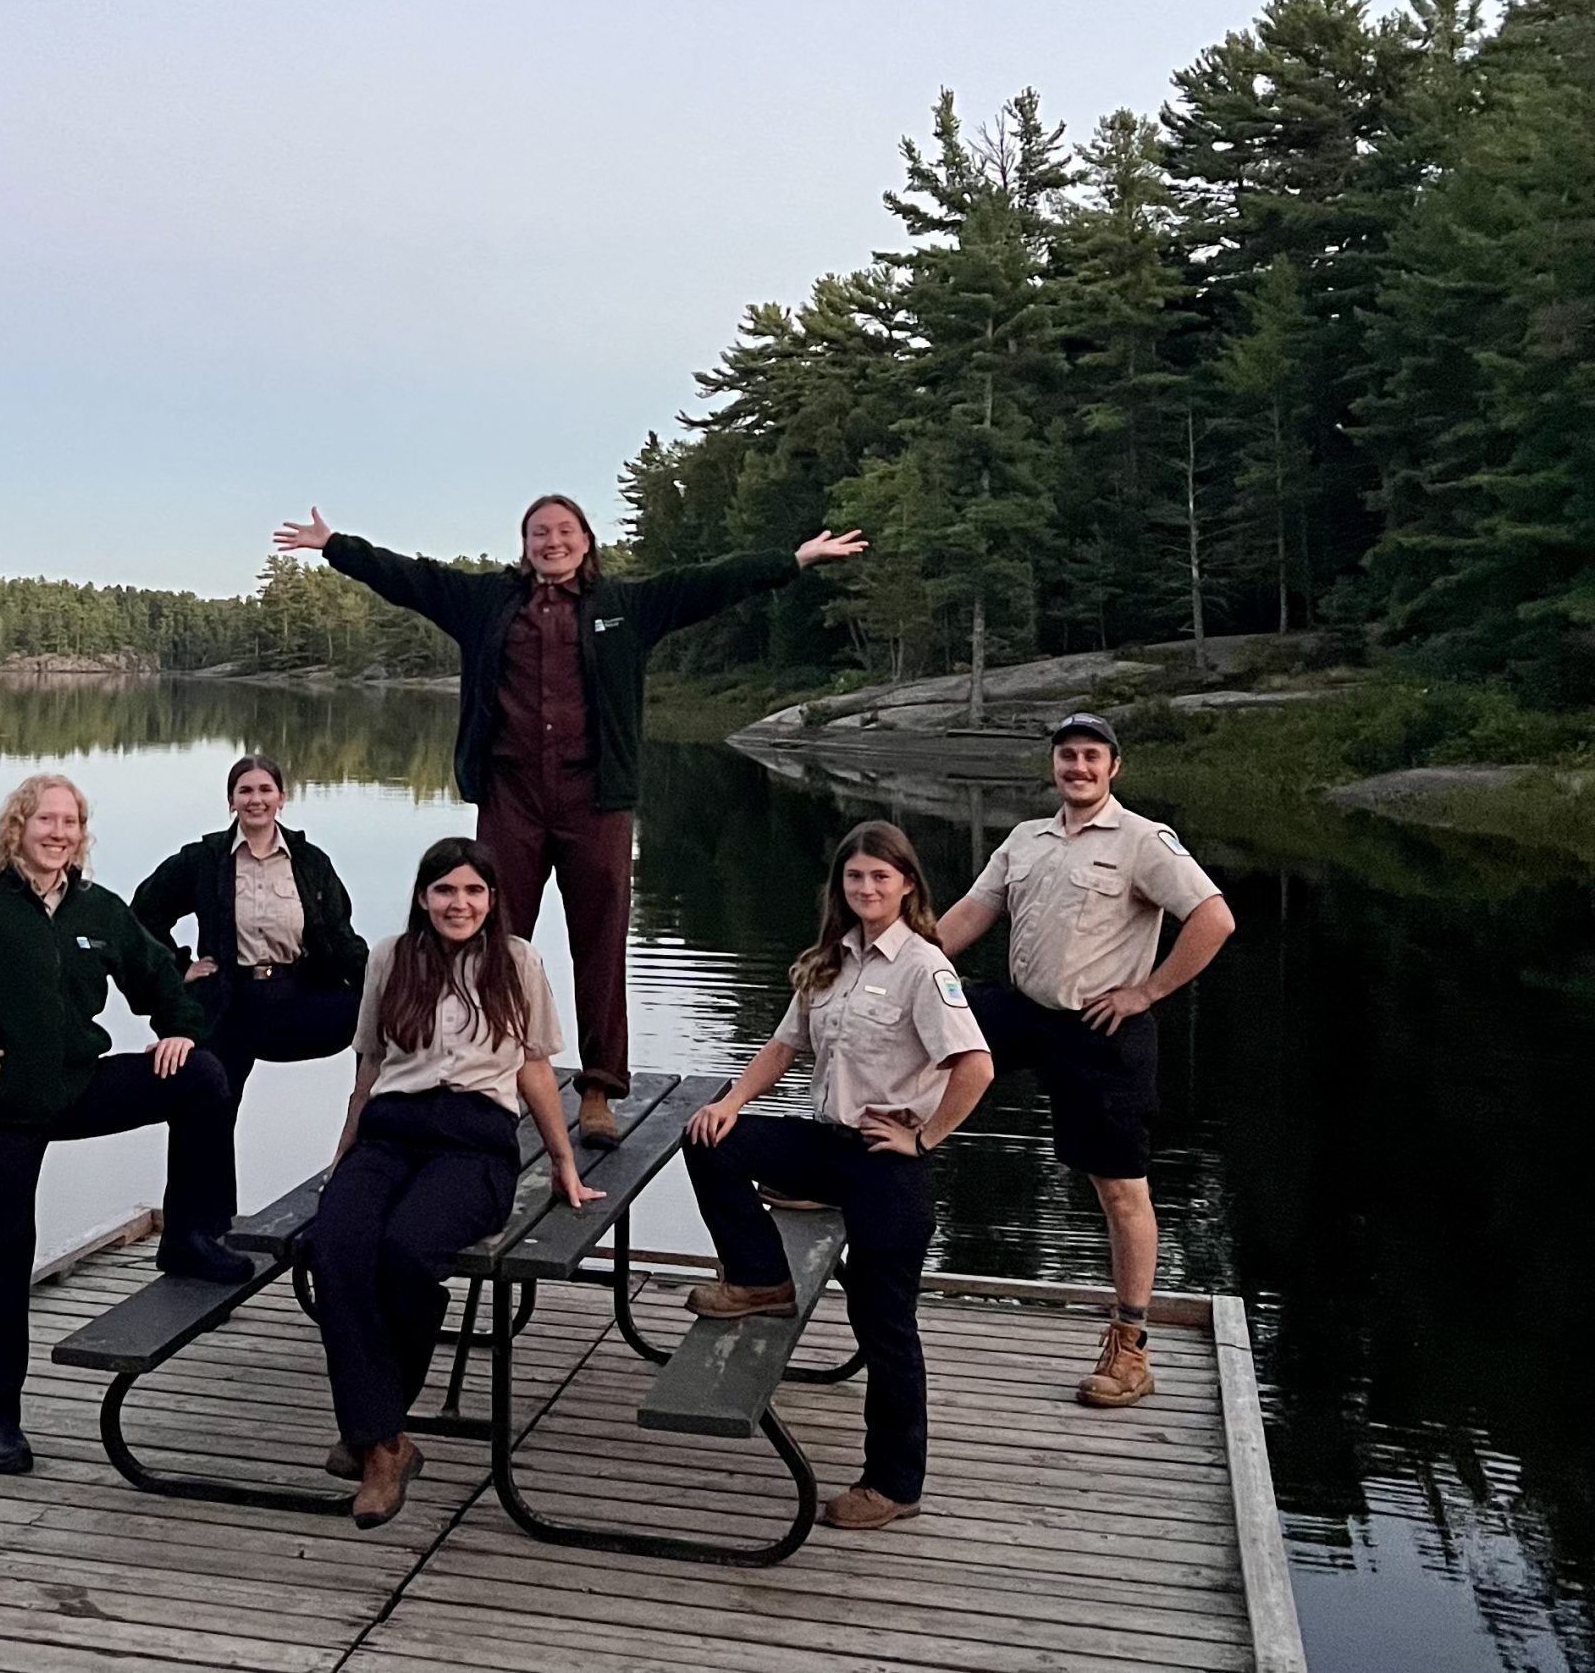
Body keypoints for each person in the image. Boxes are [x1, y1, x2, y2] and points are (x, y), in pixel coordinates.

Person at [274, 498, 865, 1151]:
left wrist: (792, 560)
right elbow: (414, 577)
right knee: (489, 939)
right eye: (538, 533)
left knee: (602, 939)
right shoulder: (488, 603)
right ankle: (484, 1074)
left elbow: (709, 580)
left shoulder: (625, 606)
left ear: (586, 540)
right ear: (524, 544)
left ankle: (598, 1089)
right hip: (511, 797)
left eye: (563, 531)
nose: (551, 541)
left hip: (597, 800)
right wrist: (336, 546)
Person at [0, 772, 253, 1478]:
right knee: (1, 1254)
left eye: (71, 822)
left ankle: (190, 1236)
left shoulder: (98, 910)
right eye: (45, 820)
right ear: (16, 828)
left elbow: (159, 978)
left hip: (83, 1085)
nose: (59, 833)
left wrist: (178, 1027)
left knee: (202, 1076)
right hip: (3, 1103)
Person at [681, 820, 993, 1531]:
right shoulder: (834, 959)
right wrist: (730, 1101)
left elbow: (976, 1066)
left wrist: (924, 1136)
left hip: (886, 1160)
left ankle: (893, 1483)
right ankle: (761, 1279)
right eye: (855, 877)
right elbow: (786, 1044)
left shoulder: (923, 967)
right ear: (841, 887)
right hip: (827, 1145)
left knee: (884, 1322)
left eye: (881, 877)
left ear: (907, 884)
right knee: (708, 1142)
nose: (867, 888)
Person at [934, 712, 1235, 1409]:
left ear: (1114, 767)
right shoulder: (1025, 839)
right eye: (1067, 756)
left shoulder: (1142, 842)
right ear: (1054, 766)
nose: (1078, 767)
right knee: (922, 1036)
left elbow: (1214, 919)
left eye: (1091, 757)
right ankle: (842, 1164)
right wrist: (893, 961)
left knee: (1120, 1190)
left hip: (1102, 1030)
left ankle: (1130, 1348)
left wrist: (1148, 991)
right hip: (1026, 1011)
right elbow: (969, 916)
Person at [309, 836, 601, 1528]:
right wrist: (341, 1160)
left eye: (472, 891)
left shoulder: (518, 961)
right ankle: (387, 1439)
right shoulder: (390, 957)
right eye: (445, 891)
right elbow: (369, 1069)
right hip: (391, 1131)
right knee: (337, 1245)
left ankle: (373, 1439)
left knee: (408, 1252)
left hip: (474, 1142)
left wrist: (563, 1162)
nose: (458, 904)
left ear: (491, 899)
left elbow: (533, 1069)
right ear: (423, 896)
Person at [130, 754, 368, 1110]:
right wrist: (180, 967)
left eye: (265, 790)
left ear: (281, 798)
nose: (256, 799)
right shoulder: (204, 860)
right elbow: (142, 916)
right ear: (231, 801)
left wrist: (385, 982)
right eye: (245, 791)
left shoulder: (309, 861)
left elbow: (339, 936)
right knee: (214, 1106)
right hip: (230, 999)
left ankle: (366, 1141)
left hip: (294, 996)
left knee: (374, 1017)